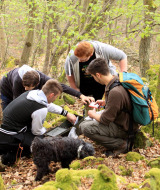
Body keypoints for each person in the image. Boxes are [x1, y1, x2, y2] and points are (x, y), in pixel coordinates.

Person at [0, 79, 77, 166]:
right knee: (40, 144)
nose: (56, 99)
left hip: (6, 127)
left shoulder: (33, 93)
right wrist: (47, 134)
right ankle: (9, 157)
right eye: (56, 97)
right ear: (51, 95)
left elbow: (47, 104)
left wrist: (66, 113)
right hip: (10, 135)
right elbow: (36, 131)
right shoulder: (40, 108)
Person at [79, 58, 138, 157]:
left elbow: (105, 120)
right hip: (125, 121)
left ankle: (121, 144)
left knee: (84, 127)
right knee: (86, 122)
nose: (94, 79)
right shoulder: (116, 80)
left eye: (93, 76)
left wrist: (93, 114)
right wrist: (106, 103)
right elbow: (121, 102)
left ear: (98, 75)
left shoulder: (115, 92)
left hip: (124, 128)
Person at [0, 64, 94, 110]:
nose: (25, 90)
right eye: (24, 87)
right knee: (9, 113)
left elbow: (61, 86)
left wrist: (81, 95)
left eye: (28, 88)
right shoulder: (17, 80)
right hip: (6, 91)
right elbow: (17, 102)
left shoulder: (43, 78)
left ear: (37, 84)